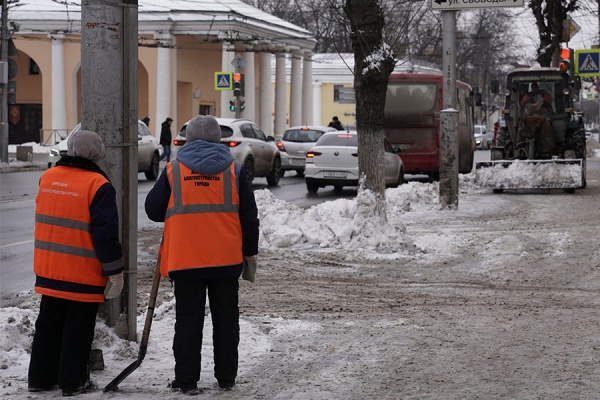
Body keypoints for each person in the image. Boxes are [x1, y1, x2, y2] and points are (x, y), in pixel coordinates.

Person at [145, 115, 259, 395]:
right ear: (218, 140)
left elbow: (153, 210)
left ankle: (186, 381)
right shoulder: (234, 170)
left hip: (186, 260)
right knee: (226, 320)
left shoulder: (173, 170)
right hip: (225, 260)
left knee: (187, 322)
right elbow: (249, 217)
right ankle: (226, 378)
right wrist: (249, 255)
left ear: (189, 139)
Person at [28, 129, 125, 396]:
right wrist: (115, 272)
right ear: (98, 154)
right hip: (82, 273)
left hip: (49, 269)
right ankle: (73, 382)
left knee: (48, 325)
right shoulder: (98, 185)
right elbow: (106, 235)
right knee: (78, 329)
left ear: (70, 148)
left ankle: (40, 378)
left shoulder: (47, 177)